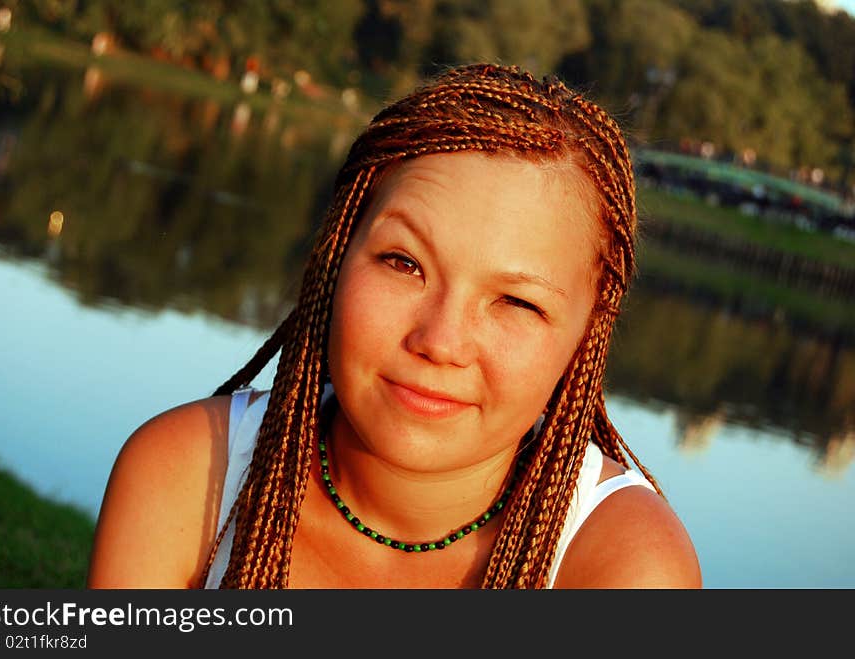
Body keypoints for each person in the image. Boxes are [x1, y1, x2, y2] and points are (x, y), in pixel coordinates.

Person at [87, 63, 701, 589]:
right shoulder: (189, 477)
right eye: (404, 263)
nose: (439, 341)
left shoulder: (623, 568)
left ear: (588, 333)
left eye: (516, 301)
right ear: (336, 254)